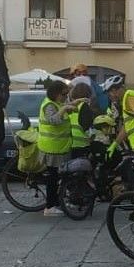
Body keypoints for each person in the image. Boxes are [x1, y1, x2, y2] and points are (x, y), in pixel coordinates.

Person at [38, 79, 85, 217]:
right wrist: (65, 108)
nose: (65, 97)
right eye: (64, 94)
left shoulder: (57, 103)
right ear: (56, 93)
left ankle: (58, 202)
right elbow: (54, 120)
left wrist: (73, 104)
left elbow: (63, 110)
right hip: (51, 147)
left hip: (60, 146)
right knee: (52, 178)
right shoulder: (48, 105)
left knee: (59, 176)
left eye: (67, 94)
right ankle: (50, 206)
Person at [67, 82, 97, 158]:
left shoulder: (70, 106)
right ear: (88, 94)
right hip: (82, 147)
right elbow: (89, 130)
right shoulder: (84, 107)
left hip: (69, 145)